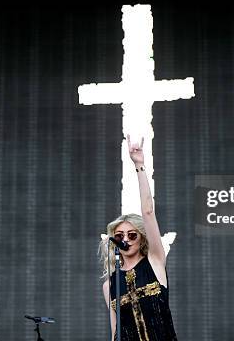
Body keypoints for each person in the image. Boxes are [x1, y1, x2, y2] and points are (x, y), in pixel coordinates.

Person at [98, 135, 177, 341]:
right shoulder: (110, 285)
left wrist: (139, 165)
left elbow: (148, 212)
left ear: (141, 238)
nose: (126, 238)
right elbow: (115, 331)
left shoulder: (154, 261)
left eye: (132, 234)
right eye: (120, 235)